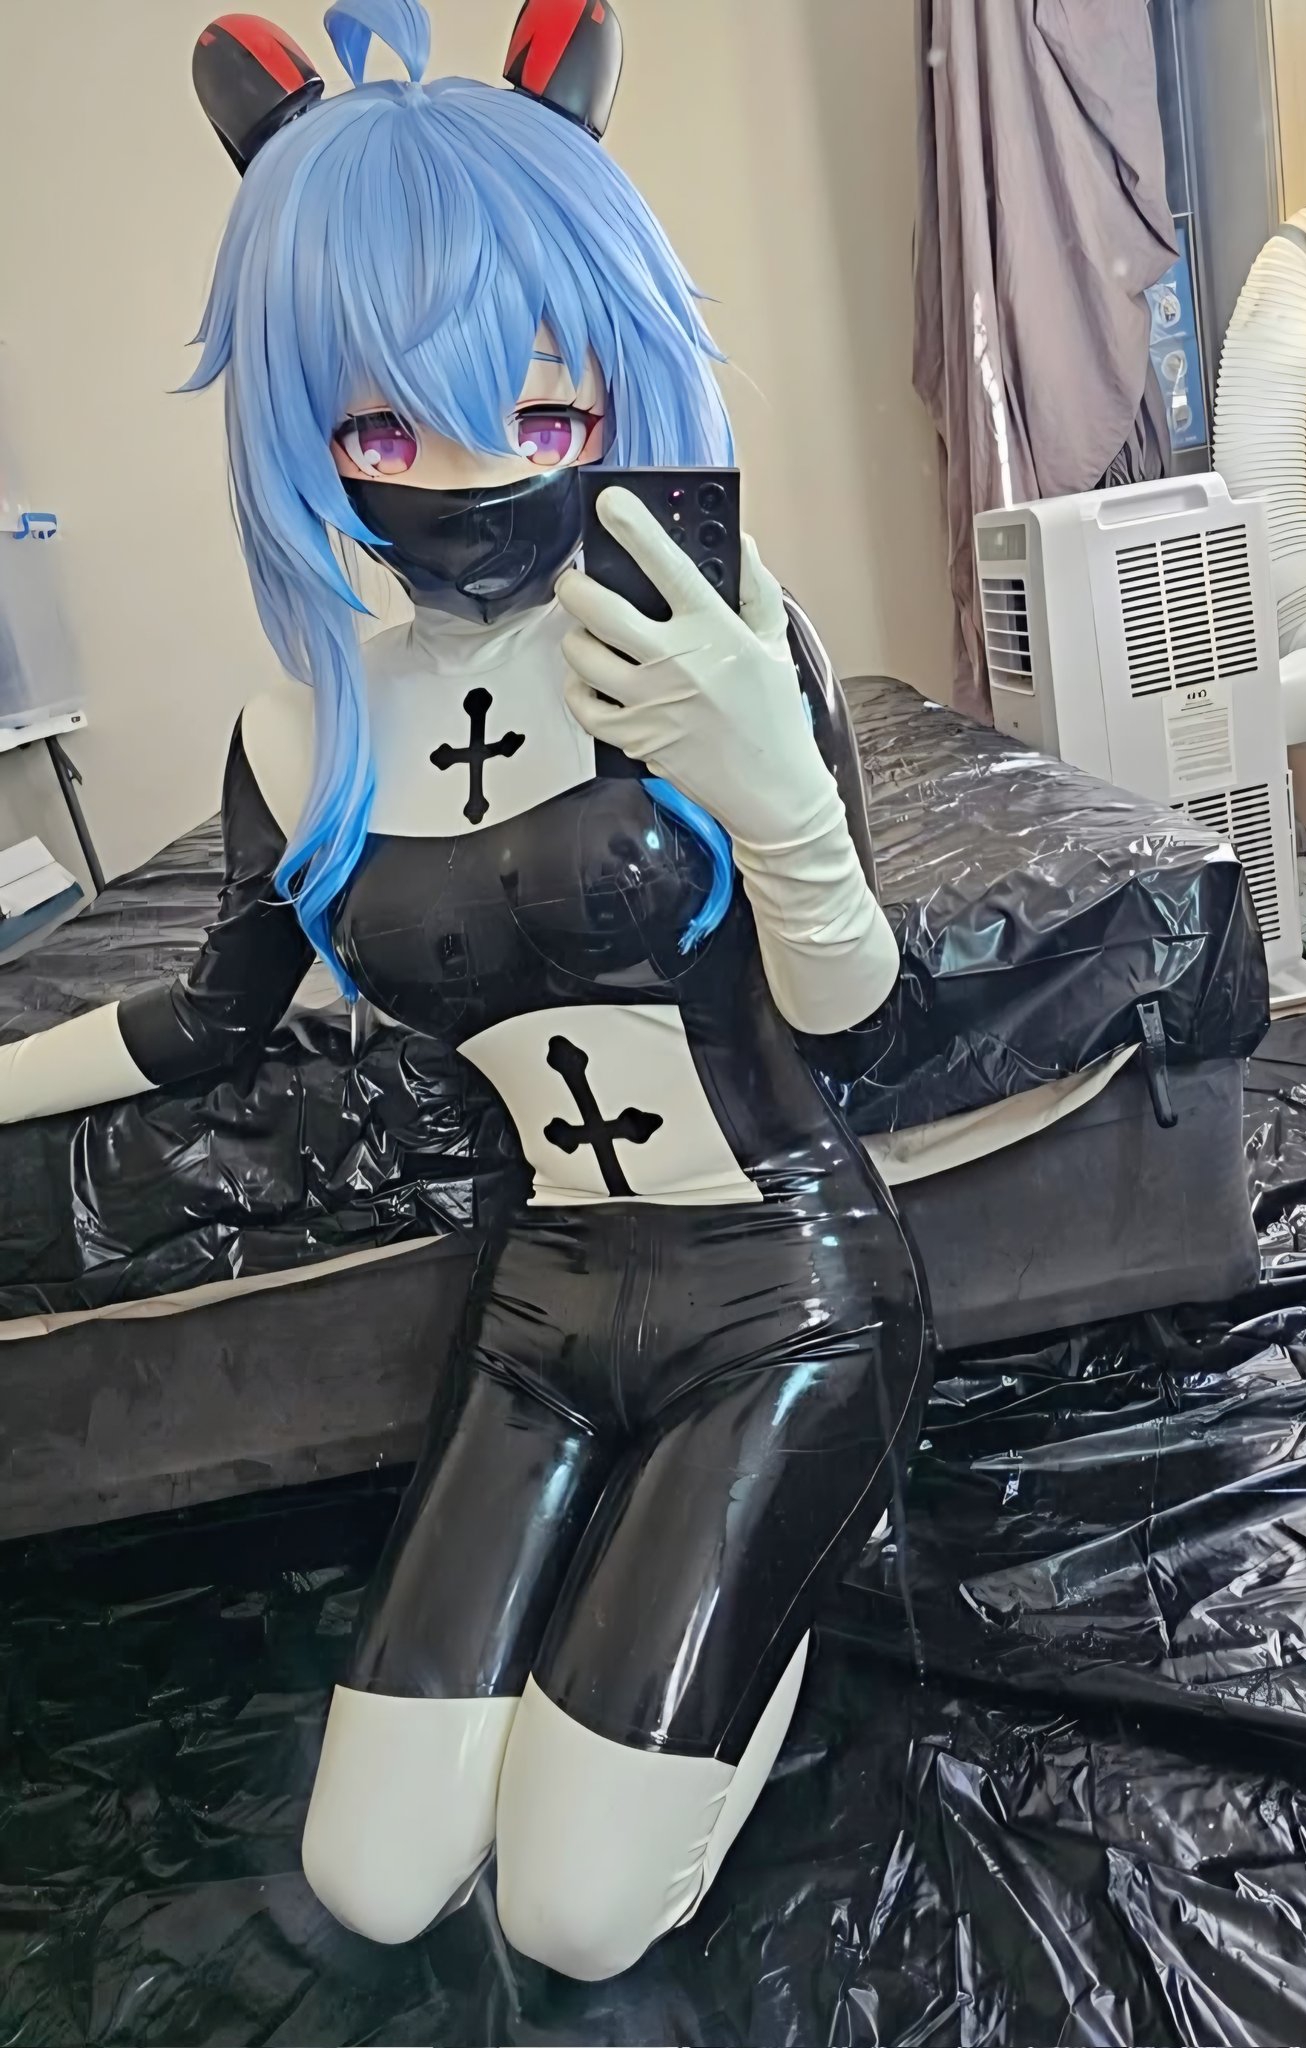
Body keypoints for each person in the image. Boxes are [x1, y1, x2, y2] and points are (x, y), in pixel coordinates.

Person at [0, 0, 929, 1980]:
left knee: (574, 1913)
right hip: (541, 1301)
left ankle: (764, 1597)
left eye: (544, 416)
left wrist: (775, 786)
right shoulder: (302, 732)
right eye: (380, 430)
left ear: (617, 393)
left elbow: (865, 1031)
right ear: (305, 439)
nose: (471, 476)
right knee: (373, 1880)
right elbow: (208, 1019)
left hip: (783, 1279)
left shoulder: (715, 642)